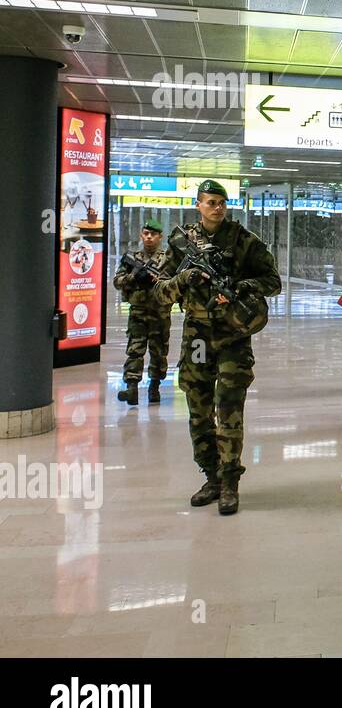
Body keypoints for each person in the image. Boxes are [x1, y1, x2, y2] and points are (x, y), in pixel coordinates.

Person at [152, 180, 281, 515]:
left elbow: (273, 282)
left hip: (233, 334)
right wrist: (184, 280)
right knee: (198, 408)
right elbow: (159, 292)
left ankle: (230, 484)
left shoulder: (245, 242)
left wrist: (242, 286)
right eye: (210, 202)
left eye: (222, 203)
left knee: (229, 409)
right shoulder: (180, 244)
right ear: (199, 205)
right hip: (197, 334)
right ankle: (210, 476)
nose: (217, 208)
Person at [111, 218, 173, 405]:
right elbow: (117, 281)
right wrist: (133, 277)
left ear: (160, 237)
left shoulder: (167, 260)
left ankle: (154, 387)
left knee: (159, 351)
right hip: (138, 312)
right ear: (141, 235)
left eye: (153, 234)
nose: (149, 237)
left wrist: (157, 281)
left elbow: (175, 284)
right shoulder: (133, 258)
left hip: (160, 313)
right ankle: (132, 388)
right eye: (146, 233)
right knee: (135, 350)